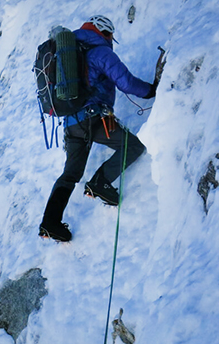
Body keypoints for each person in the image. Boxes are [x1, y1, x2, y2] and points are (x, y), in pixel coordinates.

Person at [39, 15, 157, 243]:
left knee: (70, 174)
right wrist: (152, 90)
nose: (111, 40)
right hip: (95, 119)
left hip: (71, 123)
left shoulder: (70, 52)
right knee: (131, 147)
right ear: (104, 32)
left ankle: (50, 223)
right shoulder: (100, 52)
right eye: (111, 36)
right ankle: (100, 183)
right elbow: (126, 82)